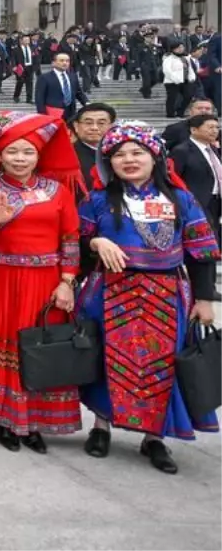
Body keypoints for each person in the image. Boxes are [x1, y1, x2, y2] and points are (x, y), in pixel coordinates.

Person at [78, 123, 220, 474]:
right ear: (108, 162)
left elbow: (200, 251)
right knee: (106, 360)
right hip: (110, 292)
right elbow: (74, 243)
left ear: (154, 156)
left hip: (166, 295)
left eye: (137, 153)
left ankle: (153, 437)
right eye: (119, 155)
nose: (128, 160)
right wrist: (95, 243)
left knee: (162, 365)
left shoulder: (180, 199)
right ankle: (101, 426)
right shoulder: (97, 200)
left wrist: (205, 299)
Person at [0, 112, 85, 453]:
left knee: (40, 349)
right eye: (12, 152)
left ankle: (35, 422)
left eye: (28, 152)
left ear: (39, 155)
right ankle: (6, 419)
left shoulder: (57, 191)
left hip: (46, 282)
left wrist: (67, 282)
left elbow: (71, 237)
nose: (20, 159)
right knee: (3, 346)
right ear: (0, 154)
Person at [170, 114, 222, 241]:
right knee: (206, 240)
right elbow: (173, 177)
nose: (215, 131)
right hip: (196, 202)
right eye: (210, 127)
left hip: (216, 201)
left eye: (217, 127)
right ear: (194, 130)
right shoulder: (181, 151)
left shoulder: (213, 149)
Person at [71, 103, 117, 189]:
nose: (94, 128)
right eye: (88, 123)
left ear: (112, 127)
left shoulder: (120, 154)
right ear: (76, 126)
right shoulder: (66, 155)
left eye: (101, 123)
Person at [35, 53, 86, 123]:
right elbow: (39, 97)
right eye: (61, 60)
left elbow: (78, 92)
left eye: (67, 61)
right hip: (53, 114)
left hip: (71, 113)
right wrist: (43, 114)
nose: (65, 63)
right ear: (54, 63)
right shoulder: (44, 78)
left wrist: (87, 103)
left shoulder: (73, 76)